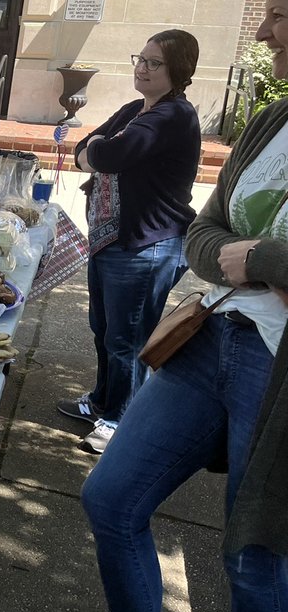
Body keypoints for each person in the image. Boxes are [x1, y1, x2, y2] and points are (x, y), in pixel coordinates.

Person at [33, 0, 288, 612]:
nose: (266, 33)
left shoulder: (173, 117)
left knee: (253, 548)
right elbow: (204, 230)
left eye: (279, 17)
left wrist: (262, 260)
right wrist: (238, 258)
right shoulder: (273, 123)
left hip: (277, 368)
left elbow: (212, 235)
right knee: (111, 497)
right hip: (214, 331)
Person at [55, 29, 201, 454]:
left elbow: (107, 156)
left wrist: (98, 151)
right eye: (141, 58)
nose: (143, 67)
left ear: (179, 71)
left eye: (155, 62)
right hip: (111, 240)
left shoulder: (173, 115)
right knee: (103, 329)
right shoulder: (135, 109)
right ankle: (103, 401)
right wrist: (96, 149)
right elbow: (86, 145)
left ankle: (123, 421)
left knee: (129, 339)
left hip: (145, 244)